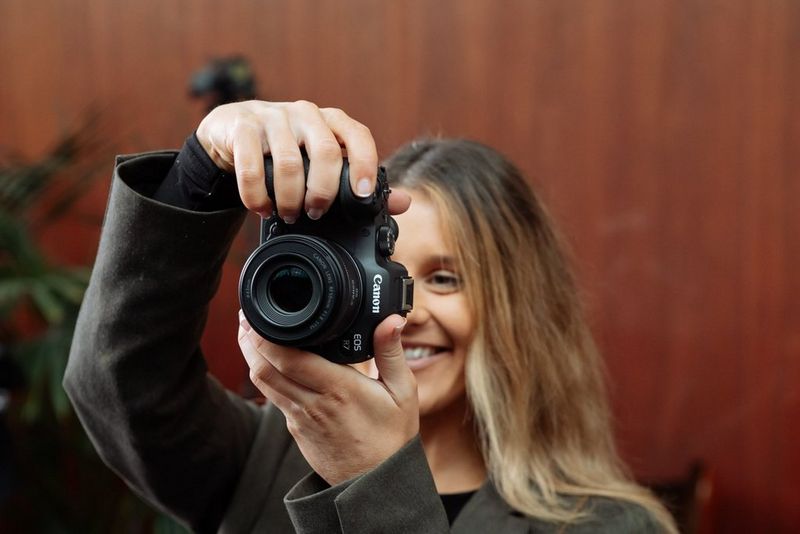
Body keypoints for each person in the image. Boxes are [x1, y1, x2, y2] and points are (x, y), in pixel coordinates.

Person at [64, 100, 677, 533]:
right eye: (377, 271)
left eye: (445, 278)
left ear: (520, 308)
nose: (403, 309)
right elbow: (119, 384)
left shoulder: (612, 525)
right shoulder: (263, 461)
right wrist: (200, 174)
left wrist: (375, 479)